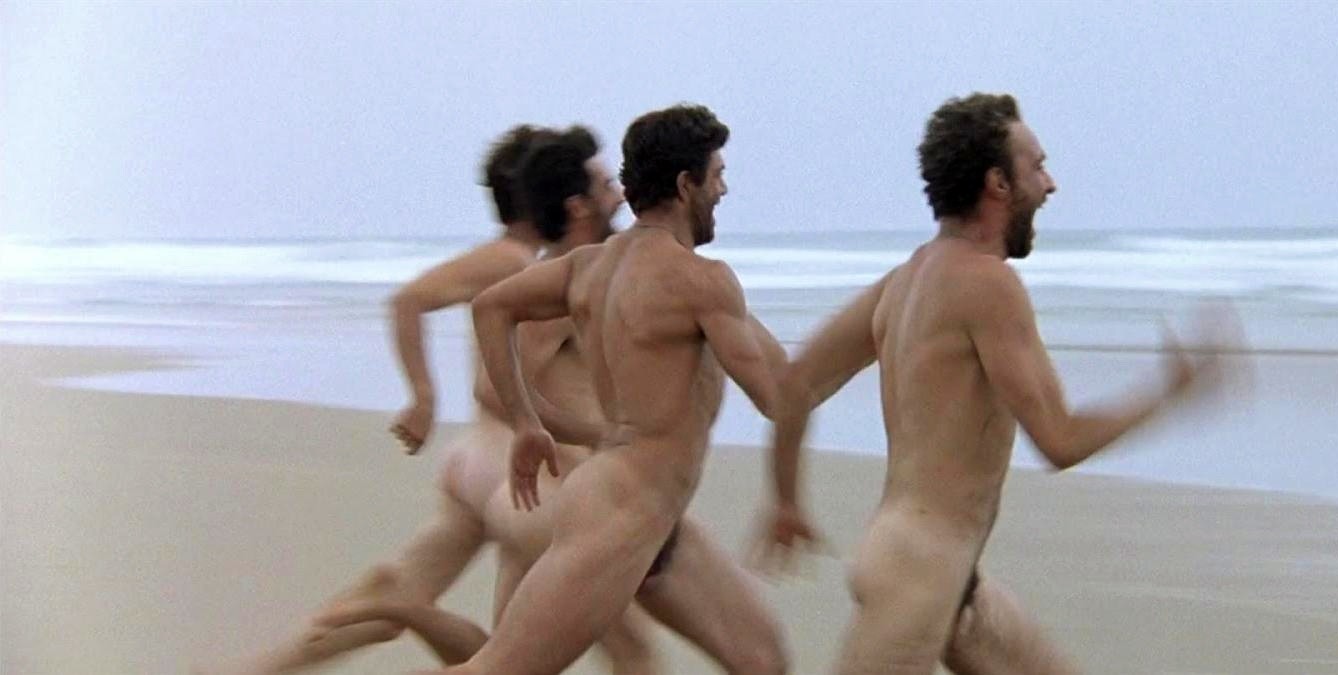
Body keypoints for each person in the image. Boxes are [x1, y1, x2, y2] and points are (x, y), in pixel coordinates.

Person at [749, 92, 1241, 674]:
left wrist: (786, 501)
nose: (1050, 184)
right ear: (998, 184)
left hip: (941, 576)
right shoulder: (988, 285)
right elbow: (1060, 440)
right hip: (918, 579)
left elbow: (794, 387)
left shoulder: (903, 283)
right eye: (1037, 167)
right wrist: (1167, 391)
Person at [220, 125, 658, 674]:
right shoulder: (522, 265)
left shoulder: (545, 268)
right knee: (611, 647)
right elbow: (420, 311)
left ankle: (255, 668)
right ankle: (402, 608)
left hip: (487, 464)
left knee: (495, 649)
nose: (614, 192)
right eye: (600, 183)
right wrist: (424, 399)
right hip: (517, 472)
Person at [444, 103, 788, 675]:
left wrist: (530, 422)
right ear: (686, 184)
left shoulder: (593, 267)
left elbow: (491, 308)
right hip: (617, 516)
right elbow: (778, 398)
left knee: (763, 660)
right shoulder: (701, 282)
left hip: (648, 512)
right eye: (718, 175)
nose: (724, 190)